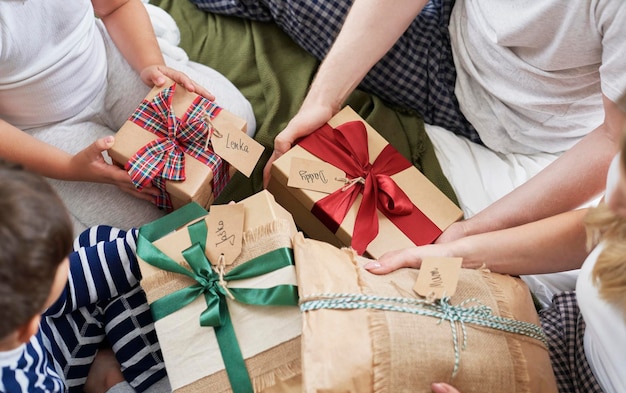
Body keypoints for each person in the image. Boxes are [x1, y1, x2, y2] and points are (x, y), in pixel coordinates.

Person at [191, 0, 626, 301]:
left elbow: (612, 142)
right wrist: (323, 99)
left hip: (486, 107)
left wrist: (469, 234)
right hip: (452, 20)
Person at [361, 121, 626, 393]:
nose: (612, 194)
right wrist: (453, 252)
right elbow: (600, 229)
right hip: (570, 332)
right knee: (372, 357)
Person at [0, 0, 256, 236]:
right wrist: (70, 168)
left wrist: (151, 66)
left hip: (113, 63)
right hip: (44, 129)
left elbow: (116, 6)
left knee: (238, 126)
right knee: (155, 233)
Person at [0, 159, 177, 393]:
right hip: (54, 388)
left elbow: (67, 281)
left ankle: (109, 373)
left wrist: (168, 243)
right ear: (28, 326)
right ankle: (110, 386)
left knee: (99, 244)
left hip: (33, 342)